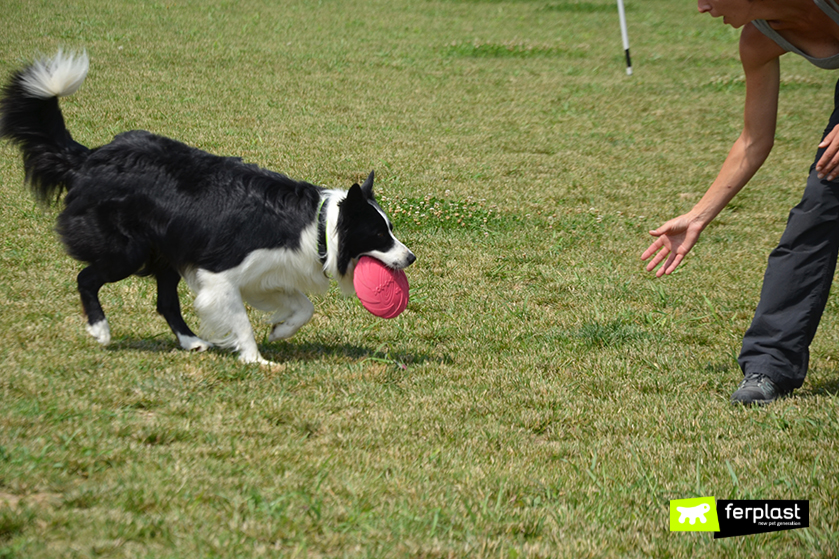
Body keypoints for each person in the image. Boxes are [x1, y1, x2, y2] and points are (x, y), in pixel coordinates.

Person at [641, 0, 839, 405]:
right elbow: (753, 141)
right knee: (819, 207)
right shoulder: (757, 42)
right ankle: (768, 365)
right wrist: (698, 215)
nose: (700, 7)